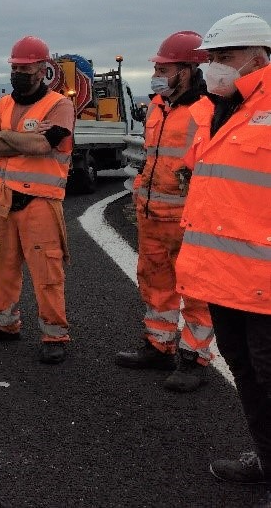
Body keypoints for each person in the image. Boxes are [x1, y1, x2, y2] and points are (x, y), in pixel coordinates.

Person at [174, 13, 271, 492]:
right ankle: (266, 459)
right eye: (211, 58)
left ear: (259, 56)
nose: (215, 67)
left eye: (225, 57)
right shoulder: (214, 111)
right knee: (249, 381)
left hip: (266, 287)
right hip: (222, 277)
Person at [115, 31, 215, 392]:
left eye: (164, 66)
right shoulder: (158, 105)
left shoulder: (208, 111)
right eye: (157, 66)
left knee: (197, 290)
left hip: (191, 220)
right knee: (155, 283)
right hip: (153, 215)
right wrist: (141, 192)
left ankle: (194, 357)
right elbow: (152, 159)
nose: (157, 72)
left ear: (188, 69)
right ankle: (159, 345)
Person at [0, 35, 75, 364]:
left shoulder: (60, 104)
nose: (19, 73)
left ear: (43, 69)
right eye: (15, 67)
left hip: (41, 200)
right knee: (4, 267)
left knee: (46, 271)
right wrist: (23, 139)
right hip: (4, 197)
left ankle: (54, 334)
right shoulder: (2, 104)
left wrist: (6, 137)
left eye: (26, 68)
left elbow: (45, 146)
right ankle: (3, 324)